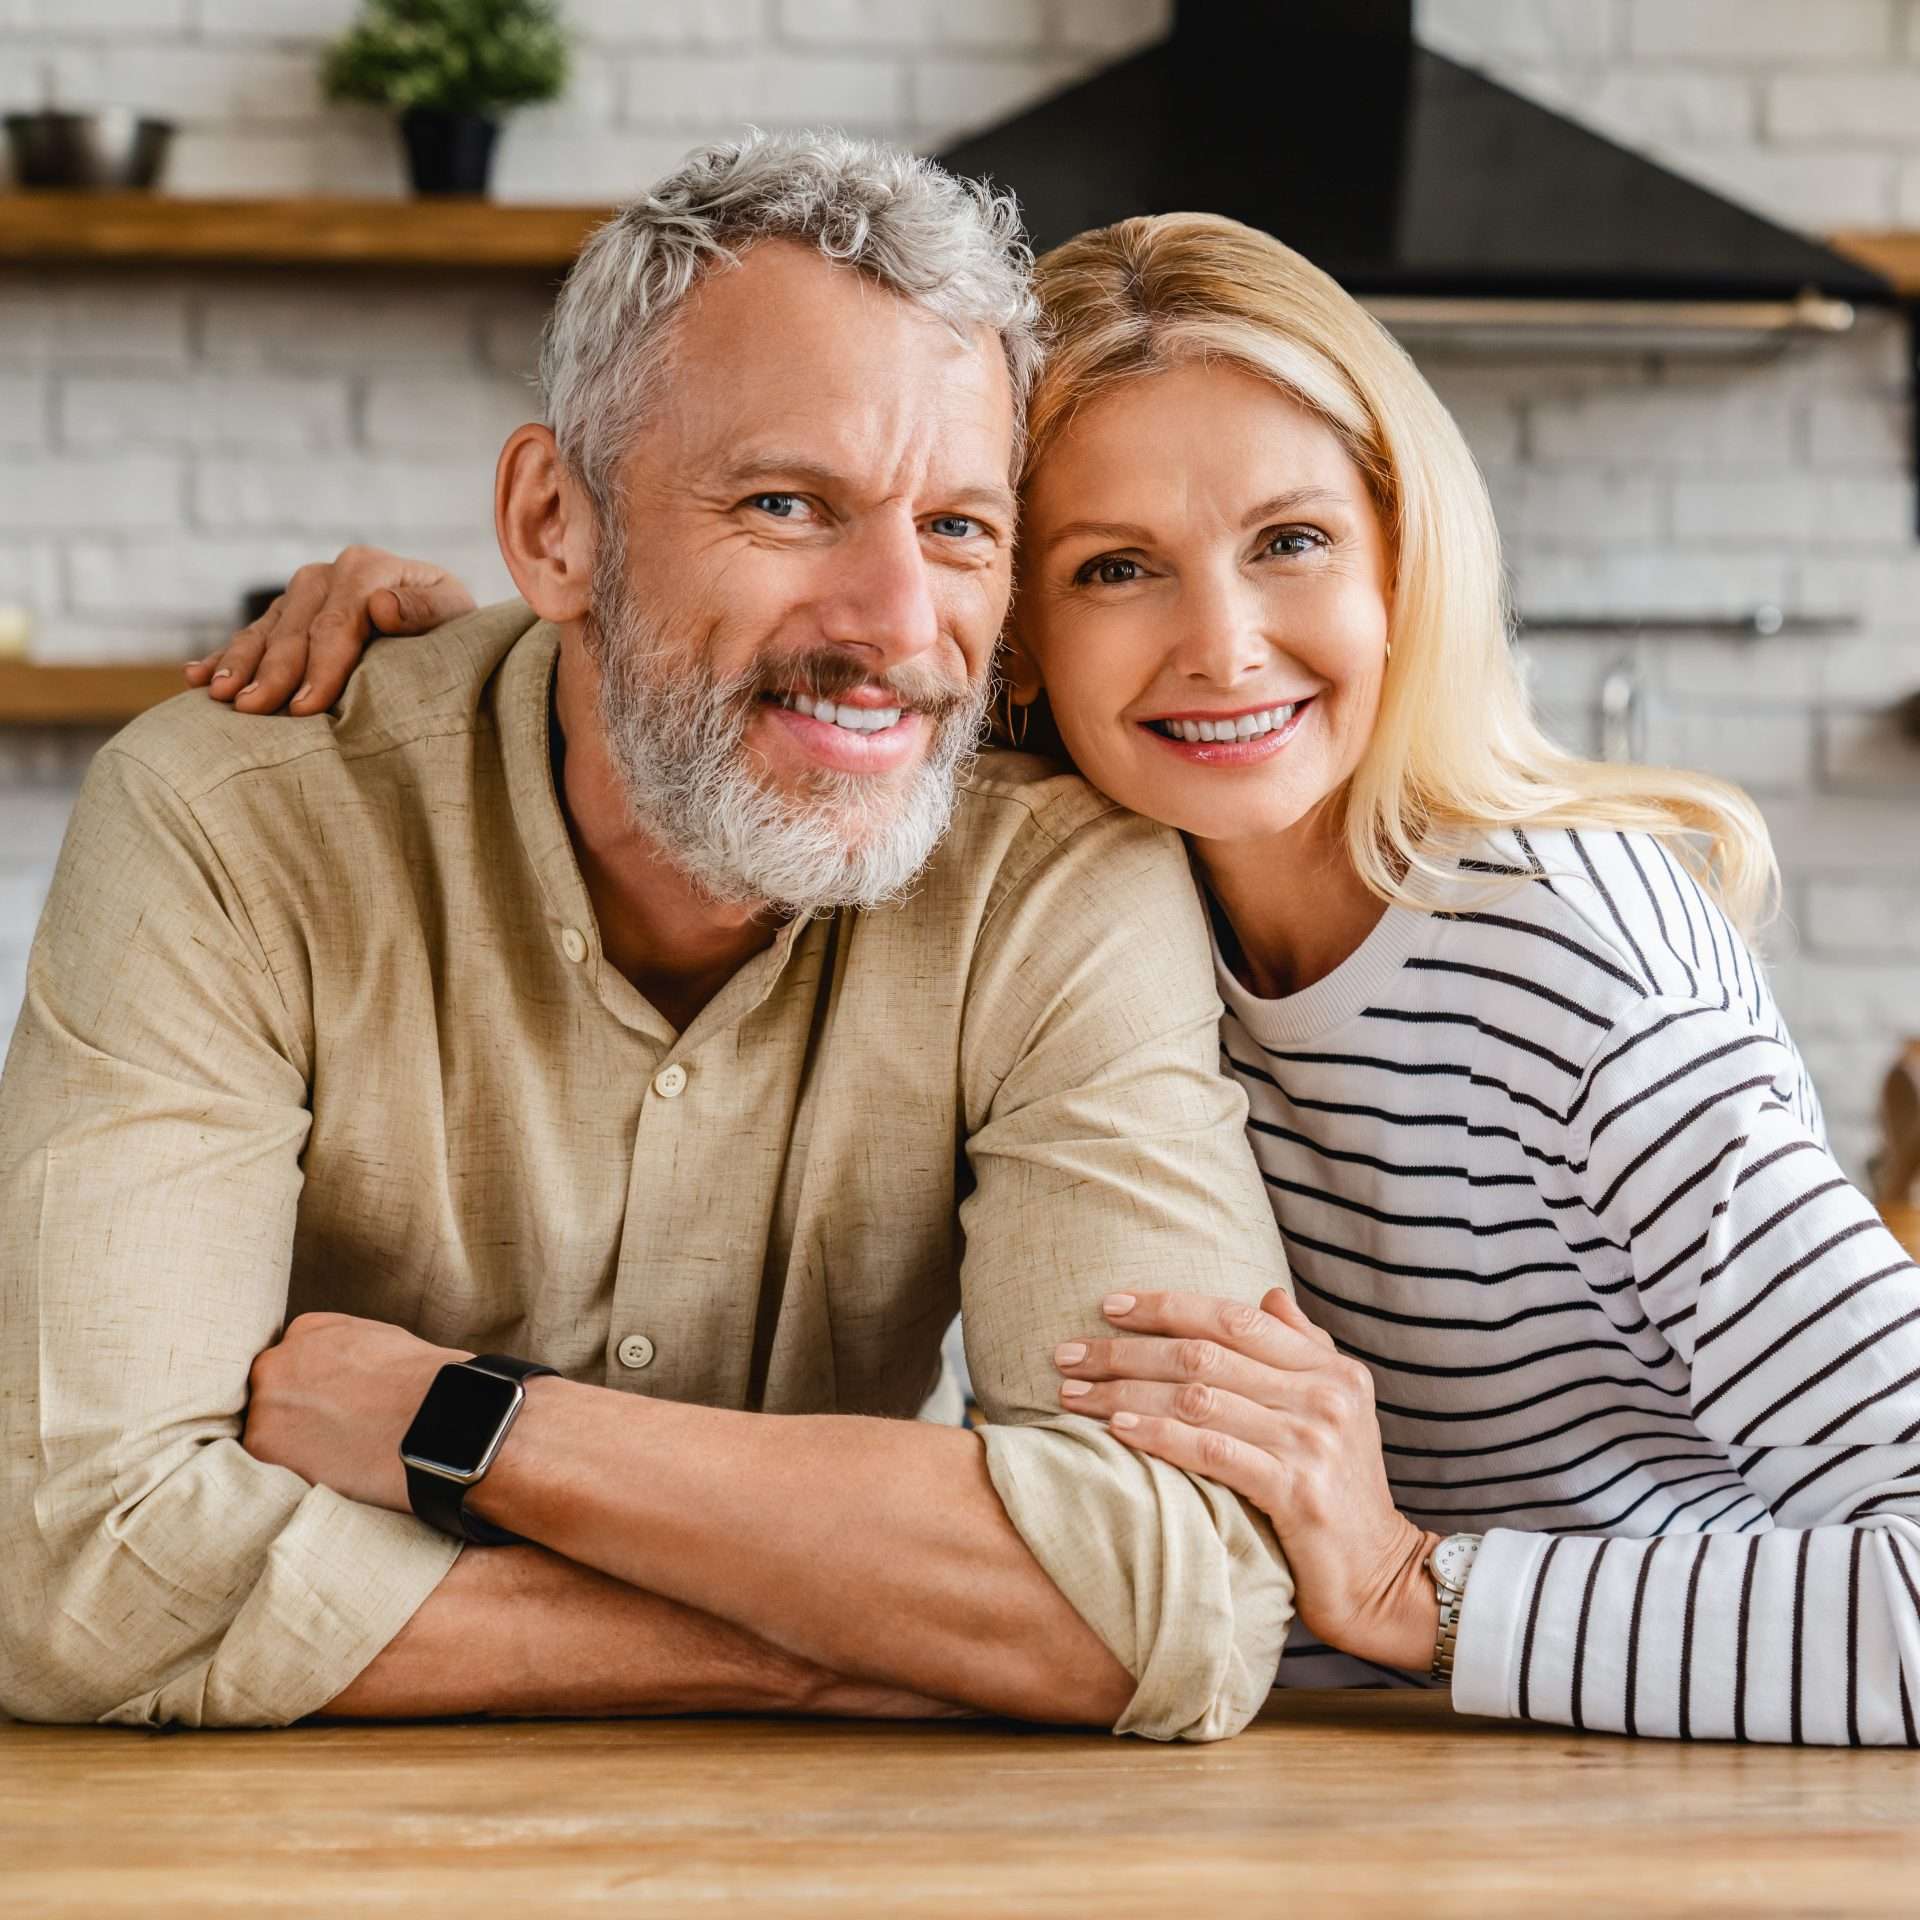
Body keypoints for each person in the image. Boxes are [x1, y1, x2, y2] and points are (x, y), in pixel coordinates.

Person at [240, 208, 1920, 1746]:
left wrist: (1421, 1592)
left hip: (1651, 1799)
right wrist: (475, 655)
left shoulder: (1574, 960)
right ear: (1011, 617)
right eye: (1115, 567)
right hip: (1278, 1773)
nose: (1222, 646)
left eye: (1291, 541)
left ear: (1406, 560)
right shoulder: (1073, 894)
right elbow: (755, 671)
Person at [0, 135, 1299, 1740]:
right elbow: (79, 1570)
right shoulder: (234, 825)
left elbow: (1177, 1601)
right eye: (784, 502)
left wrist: (463, 1428)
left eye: (961, 528)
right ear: (557, 526)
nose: (899, 625)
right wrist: (833, 1643)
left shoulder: (1058, 880)